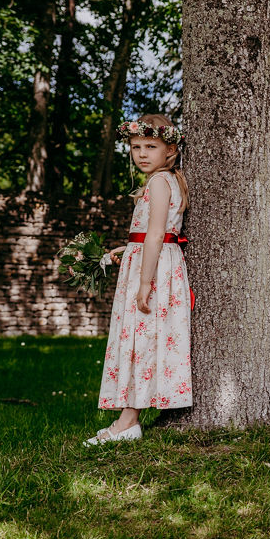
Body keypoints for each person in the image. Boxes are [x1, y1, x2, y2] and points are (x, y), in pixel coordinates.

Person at [85, 115, 192, 445]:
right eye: (135, 147)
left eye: (151, 146)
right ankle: (130, 417)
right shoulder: (164, 180)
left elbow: (158, 232)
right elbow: (153, 232)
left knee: (141, 339)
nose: (142, 153)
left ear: (169, 149)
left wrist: (145, 282)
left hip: (154, 269)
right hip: (152, 259)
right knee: (144, 338)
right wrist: (127, 246)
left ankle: (128, 421)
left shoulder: (160, 182)